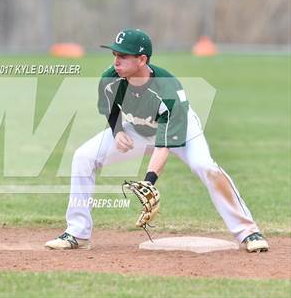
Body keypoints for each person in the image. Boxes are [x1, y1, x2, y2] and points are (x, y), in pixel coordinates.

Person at [45, 29, 269, 252]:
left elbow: (163, 146)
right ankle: (77, 232)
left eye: (123, 56)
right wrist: (118, 131)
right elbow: (109, 108)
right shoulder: (109, 79)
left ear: (142, 60)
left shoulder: (168, 89)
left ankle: (249, 232)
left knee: (205, 167)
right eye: (115, 54)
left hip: (181, 131)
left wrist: (148, 182)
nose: (116, 61)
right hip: (137, 129)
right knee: (83, 157)